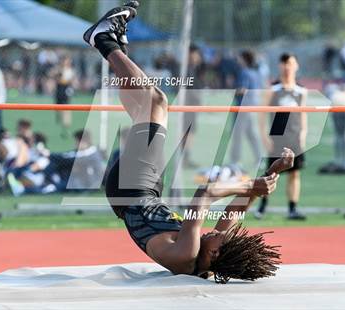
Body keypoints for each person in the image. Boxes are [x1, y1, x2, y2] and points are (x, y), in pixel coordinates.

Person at [84, 2, 296, 283]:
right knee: (142, 110)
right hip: (143, 191)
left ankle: (102, 39)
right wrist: (268, 178)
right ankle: (119, 49)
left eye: (219, 242)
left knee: (156, 101)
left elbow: (204, 194)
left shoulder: (187, 254)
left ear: (215, 256)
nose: (217, 235)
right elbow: (237, 207)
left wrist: (248, 185)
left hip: (132, 188)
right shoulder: (209, 257)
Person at [256, 53, 308, 220]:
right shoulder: (273, 90)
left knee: (295, 173)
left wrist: (303, 133)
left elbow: (304, 114)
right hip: (277, 135)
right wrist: (264, 136)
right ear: (280, 66)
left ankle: (292, 208)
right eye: (284, 63)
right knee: (271, 173)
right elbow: (262, 115)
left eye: (291, 63)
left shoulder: (301, 91)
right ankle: (262, 206)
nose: (287, 67)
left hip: (294, 135)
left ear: (296, 66)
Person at [230, 50, 262, 168]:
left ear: (244, 59)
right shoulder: (255, 73)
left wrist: (231, 92)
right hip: (252, 106)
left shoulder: (245, 72)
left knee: (238, 134)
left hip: (244, 107)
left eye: (239, 58)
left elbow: (242, 89)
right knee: (251, 134)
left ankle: (235, 160)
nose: (237, 60)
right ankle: (259, 158)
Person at [53, 56, 76, 138]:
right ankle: (60, 120)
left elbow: (70, 80)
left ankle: (66, 126)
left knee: (66, 108)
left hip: (66, 89)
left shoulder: (70, 70)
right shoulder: (58, 69)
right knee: (58, 107)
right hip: (59, 89)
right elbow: (57, 78)